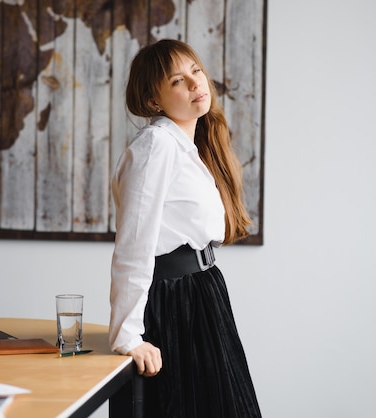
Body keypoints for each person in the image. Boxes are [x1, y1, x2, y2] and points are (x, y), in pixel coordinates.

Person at [109, 39, 262, 417]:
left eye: (195, 71)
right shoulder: (156, 146)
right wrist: (127, 337)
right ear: (153, 100)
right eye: (178, 80)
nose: (196, 84)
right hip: (177, 303)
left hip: (203, 292)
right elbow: (134, 245)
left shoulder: (187, 148)